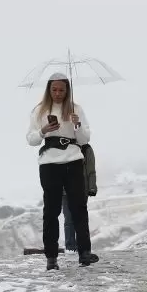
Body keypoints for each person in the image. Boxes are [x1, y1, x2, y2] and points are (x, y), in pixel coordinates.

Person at [26, 73, 98, 270]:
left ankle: (85, 253)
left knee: (79, 209)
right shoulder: (40, 111)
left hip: (74, 161)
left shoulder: (76, 109)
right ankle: (51, 258)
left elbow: (84, 140)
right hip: (49, 163)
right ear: (49, 90)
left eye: (62, 90)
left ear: (67, 91)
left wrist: (77, 124)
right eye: (54, 89)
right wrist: (44, 130)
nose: (58, 93)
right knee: (51, 211)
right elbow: (31, 139)